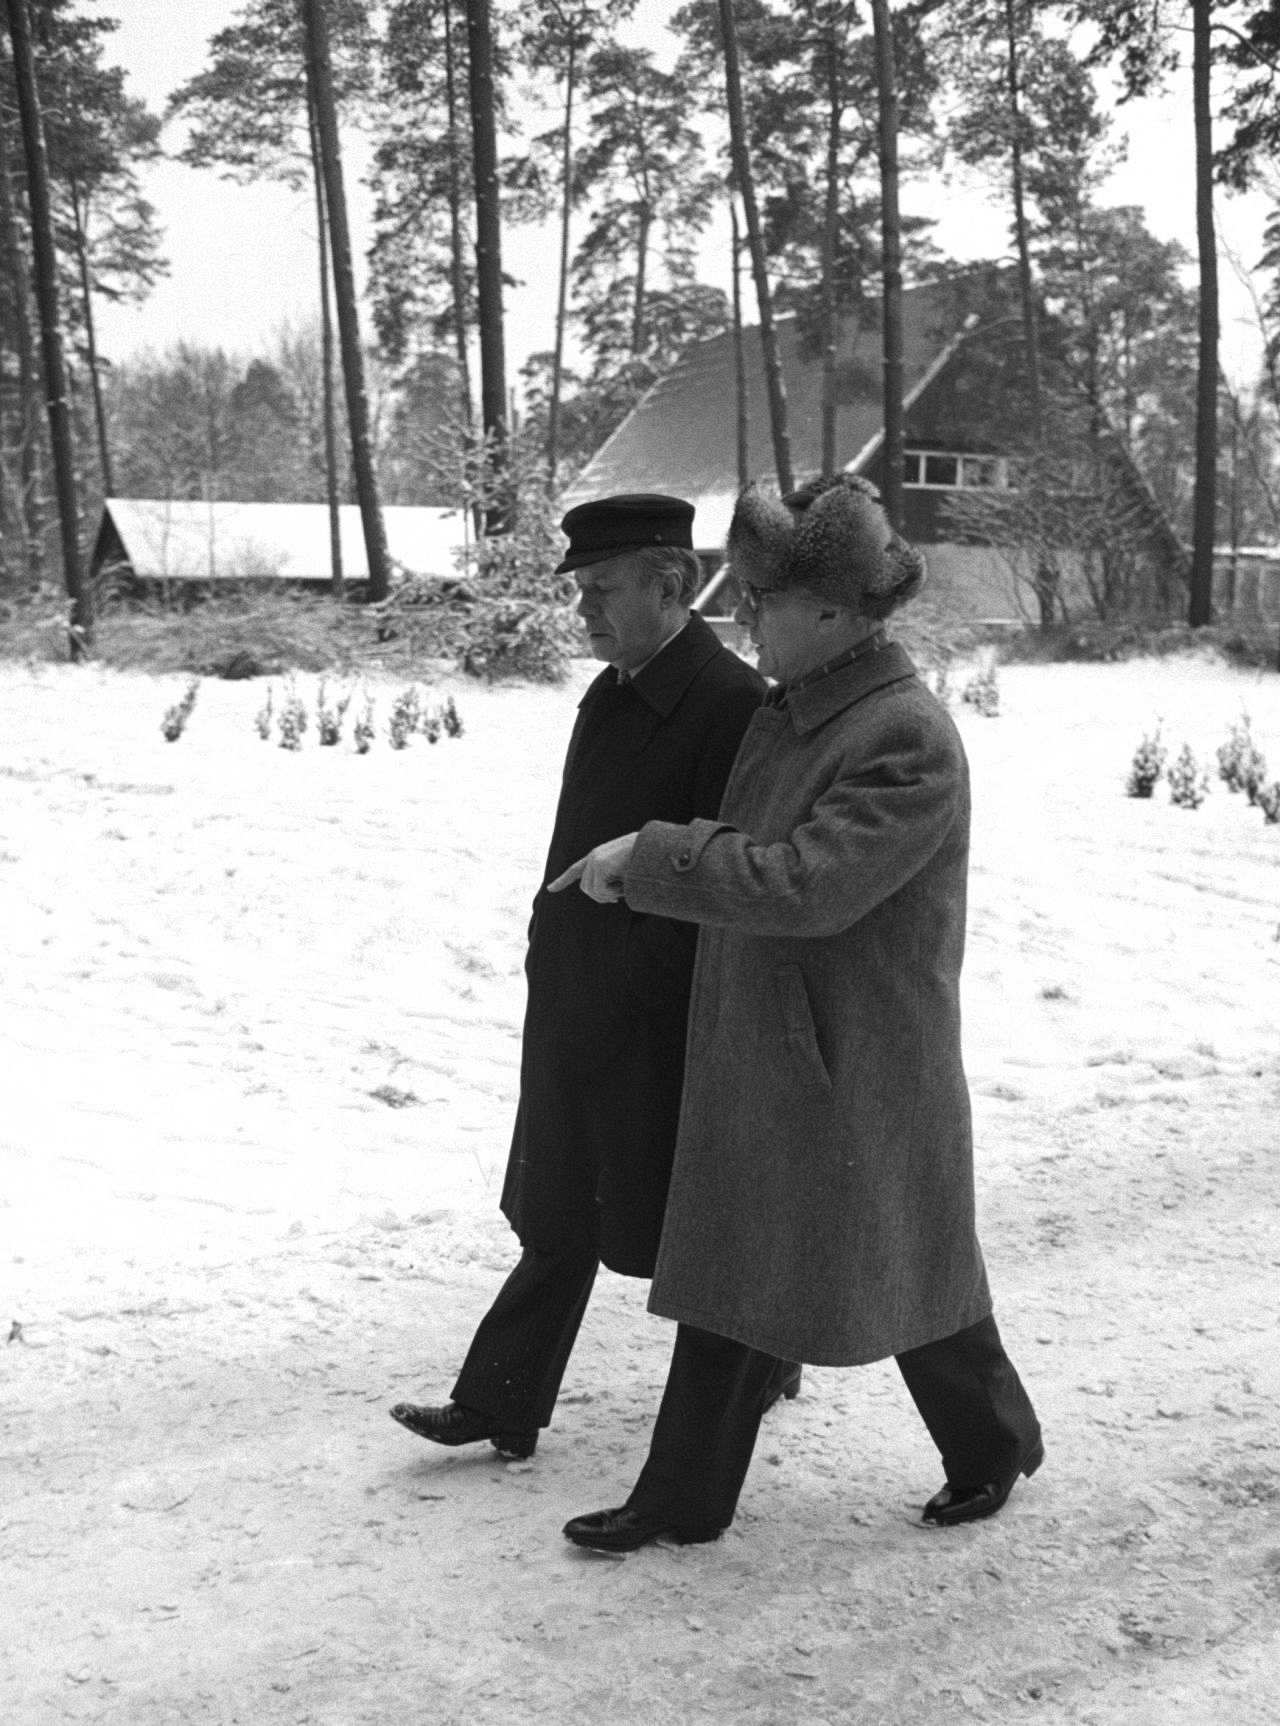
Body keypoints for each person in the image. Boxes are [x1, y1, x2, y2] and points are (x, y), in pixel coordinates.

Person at [549, 474, 1042, 1551]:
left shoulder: (901, 734)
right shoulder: (796, 709)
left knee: (908, 1265)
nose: (740, 619)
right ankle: (681, 1499)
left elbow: (806, 884)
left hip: (854, 1058)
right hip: (774, 1043)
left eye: (758, 600)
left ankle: (992, 1441)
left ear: (828, 610)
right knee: (746, 1266)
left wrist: (656, 855)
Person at [389, 492, 770, 1461]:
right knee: (557, 1208)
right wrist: (550, 959)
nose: (582, 610)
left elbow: (719, 879)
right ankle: (500, 1399)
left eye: (602, 589)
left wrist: (633, 983)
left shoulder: (727, 707)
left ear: (672, 582)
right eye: (581, 590)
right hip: (571, 997)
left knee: (683, 1225)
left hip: (650, 1018)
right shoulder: (609, 692)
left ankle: (759, 1367)